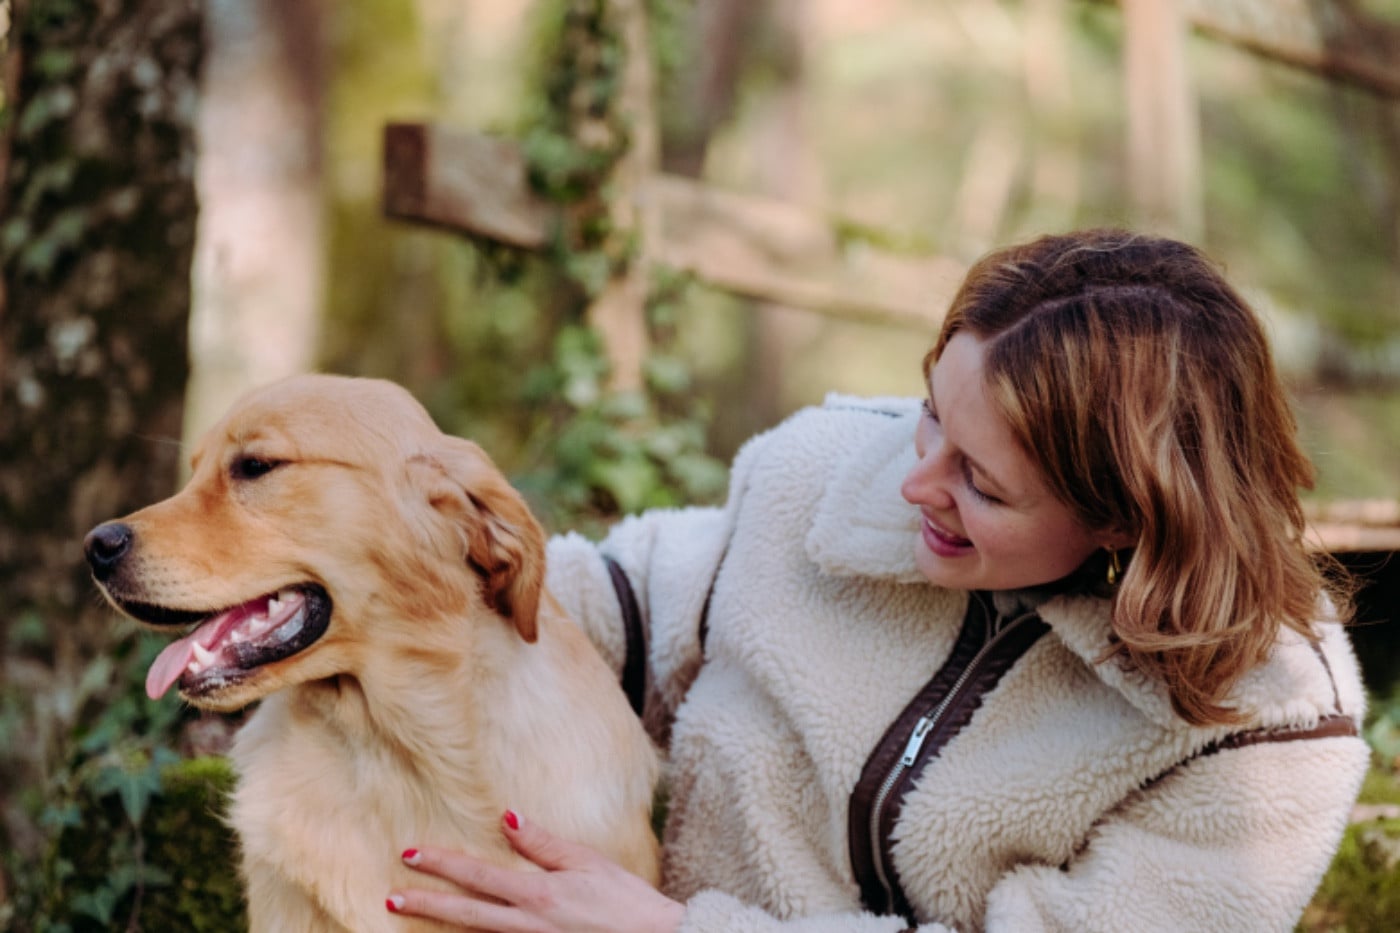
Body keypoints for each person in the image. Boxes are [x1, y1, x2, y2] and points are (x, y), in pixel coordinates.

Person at [385, 228, 1369, 931]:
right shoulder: (823, 472)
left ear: (1121, 514)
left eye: (979, 483)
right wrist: (397, 567)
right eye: (932, 413)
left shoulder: (1267, 733)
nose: (912, 482)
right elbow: (607, 605)